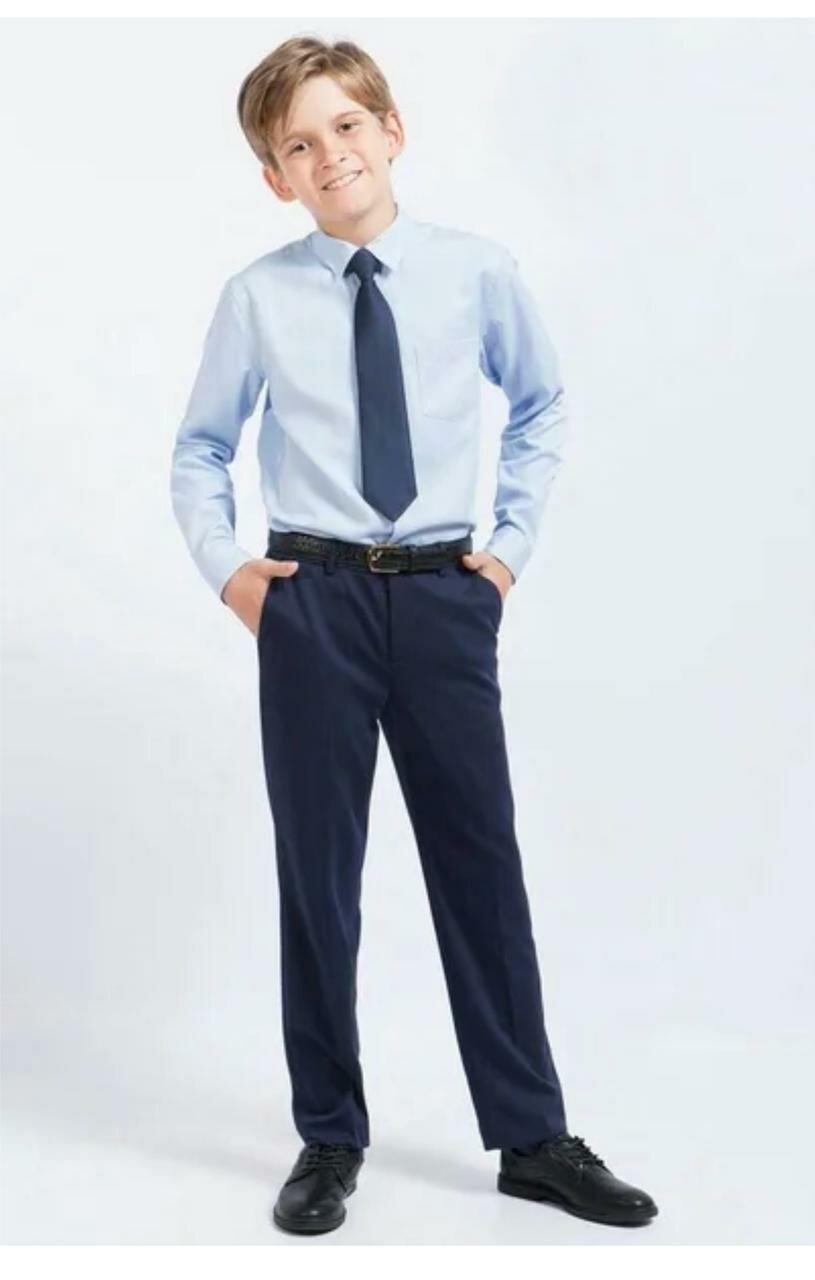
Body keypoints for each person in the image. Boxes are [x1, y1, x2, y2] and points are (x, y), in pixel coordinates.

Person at [169, 34, 658, 1236]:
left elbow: (538, 404)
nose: (328, 154)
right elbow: (201, 449)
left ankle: (531, 1135)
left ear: (390, 130)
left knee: (478, 861)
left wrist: (506, 550)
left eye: (345, 125)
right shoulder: (258, 298)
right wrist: (235, 576)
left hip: (442, 595)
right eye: (298, 144)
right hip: (314, 599)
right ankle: (328, 1136)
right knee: (317, 875)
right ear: (274, 176)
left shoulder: (473, 272)